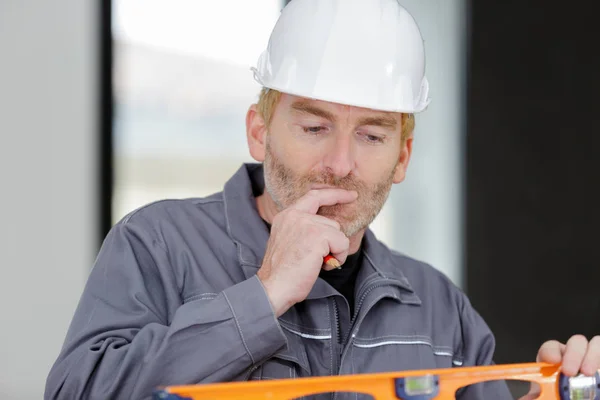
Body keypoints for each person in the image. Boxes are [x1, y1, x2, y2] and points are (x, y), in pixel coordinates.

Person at [45, 0, 599, 399]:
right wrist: (261, 298)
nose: (340, 162)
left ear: (402, 158)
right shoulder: (159, 247)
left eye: (372, 135)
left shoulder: (438, 308)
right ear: (260, 131)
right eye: (314, 126)